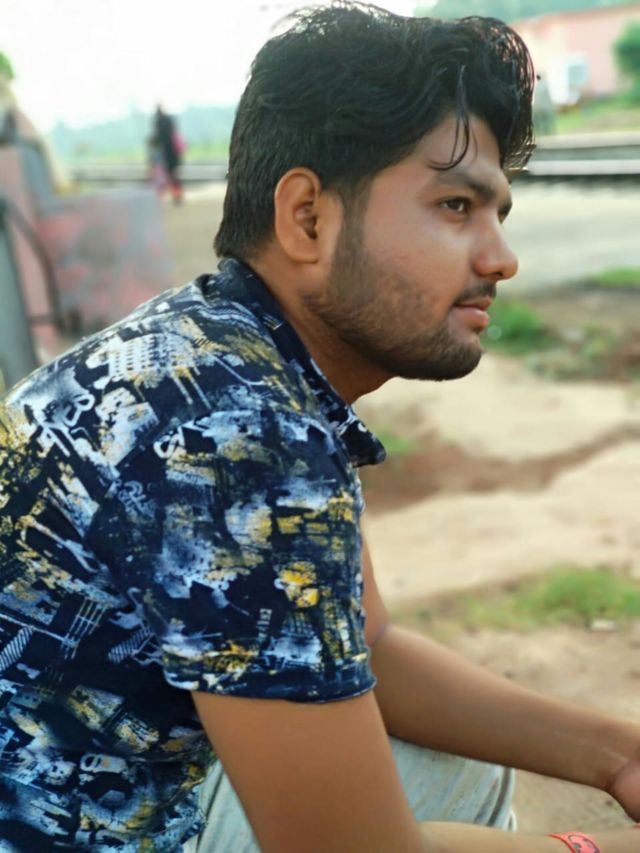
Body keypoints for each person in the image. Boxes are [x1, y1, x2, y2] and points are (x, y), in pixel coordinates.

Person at [0, 3, 639, 851]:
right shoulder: (238, 436)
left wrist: (620, 756)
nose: (500, 257)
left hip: (70, 779)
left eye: (499, 214)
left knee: (455, 764)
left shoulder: (211, 346)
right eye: (456, 204)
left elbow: (368, 643)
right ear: (307, 216)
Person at [150, 105, 184, 204]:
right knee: (174, 176)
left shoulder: (159, 122)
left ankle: (171, 195)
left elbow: (156, 138)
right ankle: (177, 195)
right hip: (174, 154)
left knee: (166, 176)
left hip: (165, 155)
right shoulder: (169, 120)